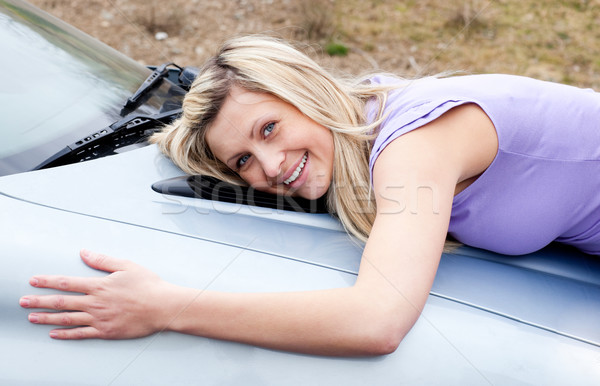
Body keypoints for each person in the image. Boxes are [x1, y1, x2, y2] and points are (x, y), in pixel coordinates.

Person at [19, 36, 600, 356]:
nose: (269, 166)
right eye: (242, 161)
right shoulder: (364, 122)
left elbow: (375, 322)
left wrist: (167, 307)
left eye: (269, 128)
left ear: (308, 93)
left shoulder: (414, 145)